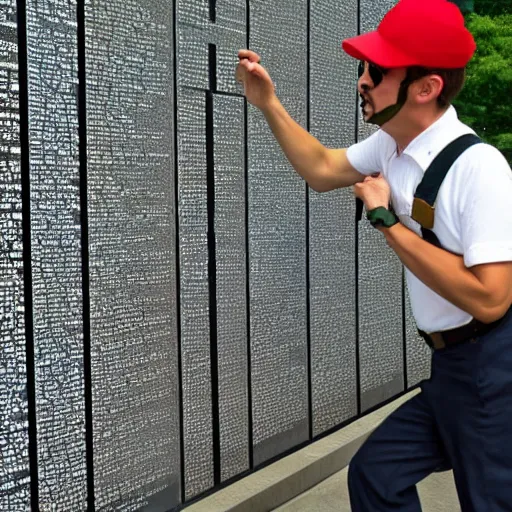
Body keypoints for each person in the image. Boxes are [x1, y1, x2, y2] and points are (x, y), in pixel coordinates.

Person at [235, 0, 512, 510]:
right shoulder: (391, 144)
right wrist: (269, 103)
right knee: (376, 476)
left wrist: (387, 220)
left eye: (378, 71)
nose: (363, 80)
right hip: (452, 366)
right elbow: (321, 168)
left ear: (425, 88)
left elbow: (491, 299)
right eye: (364, 67)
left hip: (492, 368)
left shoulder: (481, 170)